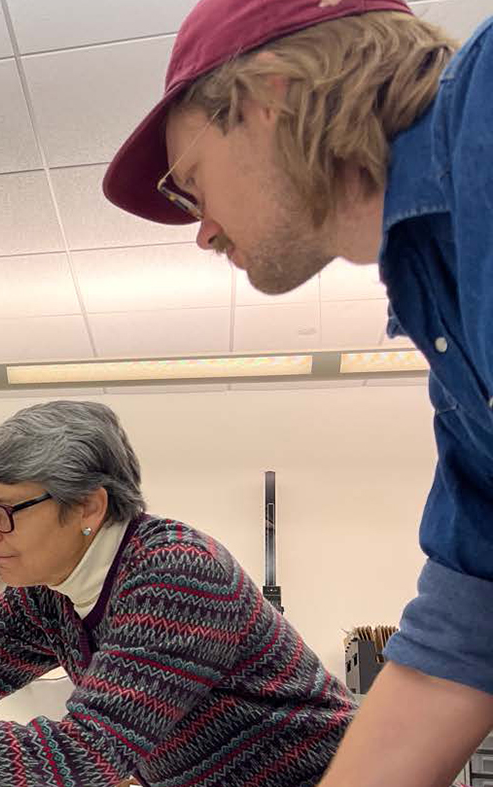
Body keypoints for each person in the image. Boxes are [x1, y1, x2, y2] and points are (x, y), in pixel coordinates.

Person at [101, 0, 493, 783]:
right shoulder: (434, 295)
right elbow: (462, 632)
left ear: (268, 97)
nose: (203, 231)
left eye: (190, 186)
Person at [0, 401, 354, 787]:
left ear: (88, 508)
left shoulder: (175, 573)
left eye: (4, 512)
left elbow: (87, 755)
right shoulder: (49, 589)